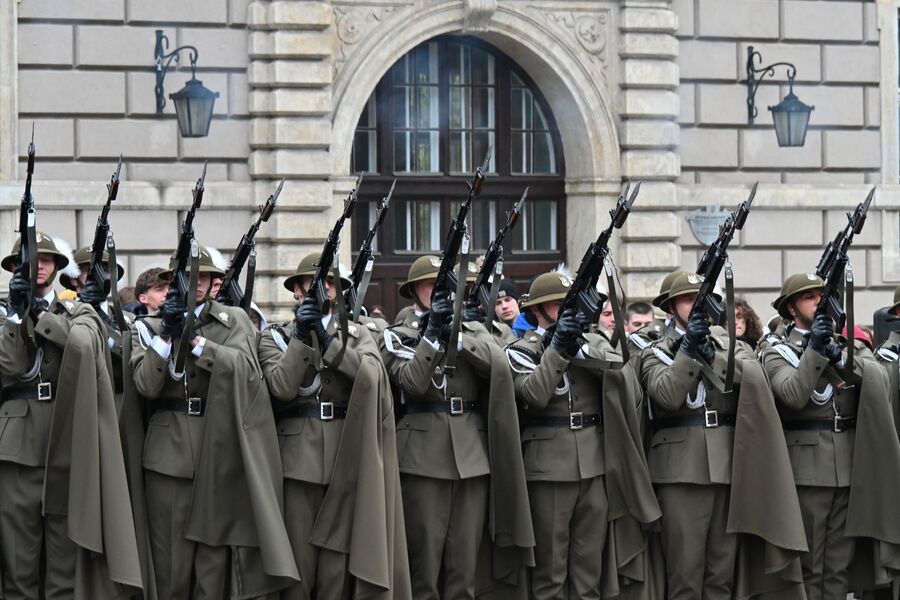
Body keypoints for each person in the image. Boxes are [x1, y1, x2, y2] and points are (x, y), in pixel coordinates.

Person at [130, 244, 299, 598]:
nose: (197, 282)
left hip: (220, 448)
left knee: (212, 570)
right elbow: (146, 385)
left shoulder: (233, 320)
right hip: (169, 457)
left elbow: (247, 372)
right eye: (190, 275)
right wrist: (168, 335)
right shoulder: (148, 326)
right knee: (171, 569)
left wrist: (196, 343)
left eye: (205, 276)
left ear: (216, 283)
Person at [380, 256, 533, 599]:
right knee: (424, 569)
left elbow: (500, 365)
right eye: (429, 285)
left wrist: (458, 337)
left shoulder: (475, 330)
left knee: (465, 572)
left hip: (472, 457)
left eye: (444, 286)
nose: (438, 292)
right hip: (421, 458)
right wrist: (432, 336)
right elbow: (413, 383)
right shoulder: (397, 335)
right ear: (413, 292)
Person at [258, 252, 409, 599]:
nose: (323, 290)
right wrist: (301, 334)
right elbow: (280, 387)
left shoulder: (356, 334)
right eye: (315, 284)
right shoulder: (275, 337)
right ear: (298, 290)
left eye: (330, 284)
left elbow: (372, 377)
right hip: (298, 463)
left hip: (347, 458)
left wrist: (329, 343)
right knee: (298, 571)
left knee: (337, 573)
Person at [0, 233, 142, 598]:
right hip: (18, 448)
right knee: (19, 567)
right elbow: (10, 365)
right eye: (31, 259)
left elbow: (89, 350)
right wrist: (18, 312)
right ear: (15, 268)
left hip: (67, 442)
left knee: (64, 570)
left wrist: (46, 314)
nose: (40, 265)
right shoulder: (4, 314)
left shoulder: (77, 311)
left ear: (57, 267)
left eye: (47, 259)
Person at [506, 270, 659, 599]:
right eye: (557, 304)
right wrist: (557, 349)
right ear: (537, 310)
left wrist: (581, 348)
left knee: (589, 573)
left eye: (568, 303)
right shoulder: (521, 349)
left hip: (594, 465)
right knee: (551, 575)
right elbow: (534, 392)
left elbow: (625, 383)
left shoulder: (593, 345)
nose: (566, 309)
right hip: (547, 470)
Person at [761, 273, 900, 600]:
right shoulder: (776, 350)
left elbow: (879, 378)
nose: (818, 301)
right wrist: (816, 351)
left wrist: (838, 354)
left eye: (821, 294)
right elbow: (793, 394)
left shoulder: (848, 344)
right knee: (810, 567)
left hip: (849, 466)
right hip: (806, 469)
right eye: (808, 296)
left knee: (839, 568)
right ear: (791, 309)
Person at [639, 272, 754, 599]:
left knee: (721, 576)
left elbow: (750, 375)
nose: (697, 305)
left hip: (728, 467)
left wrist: (710, 351)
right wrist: (688, 352)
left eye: (702, 299)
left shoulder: (727, 344)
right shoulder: (654, 350)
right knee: (685, 576)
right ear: (671, 306)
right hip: (680, 472)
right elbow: (667, 394)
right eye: (689, 299)